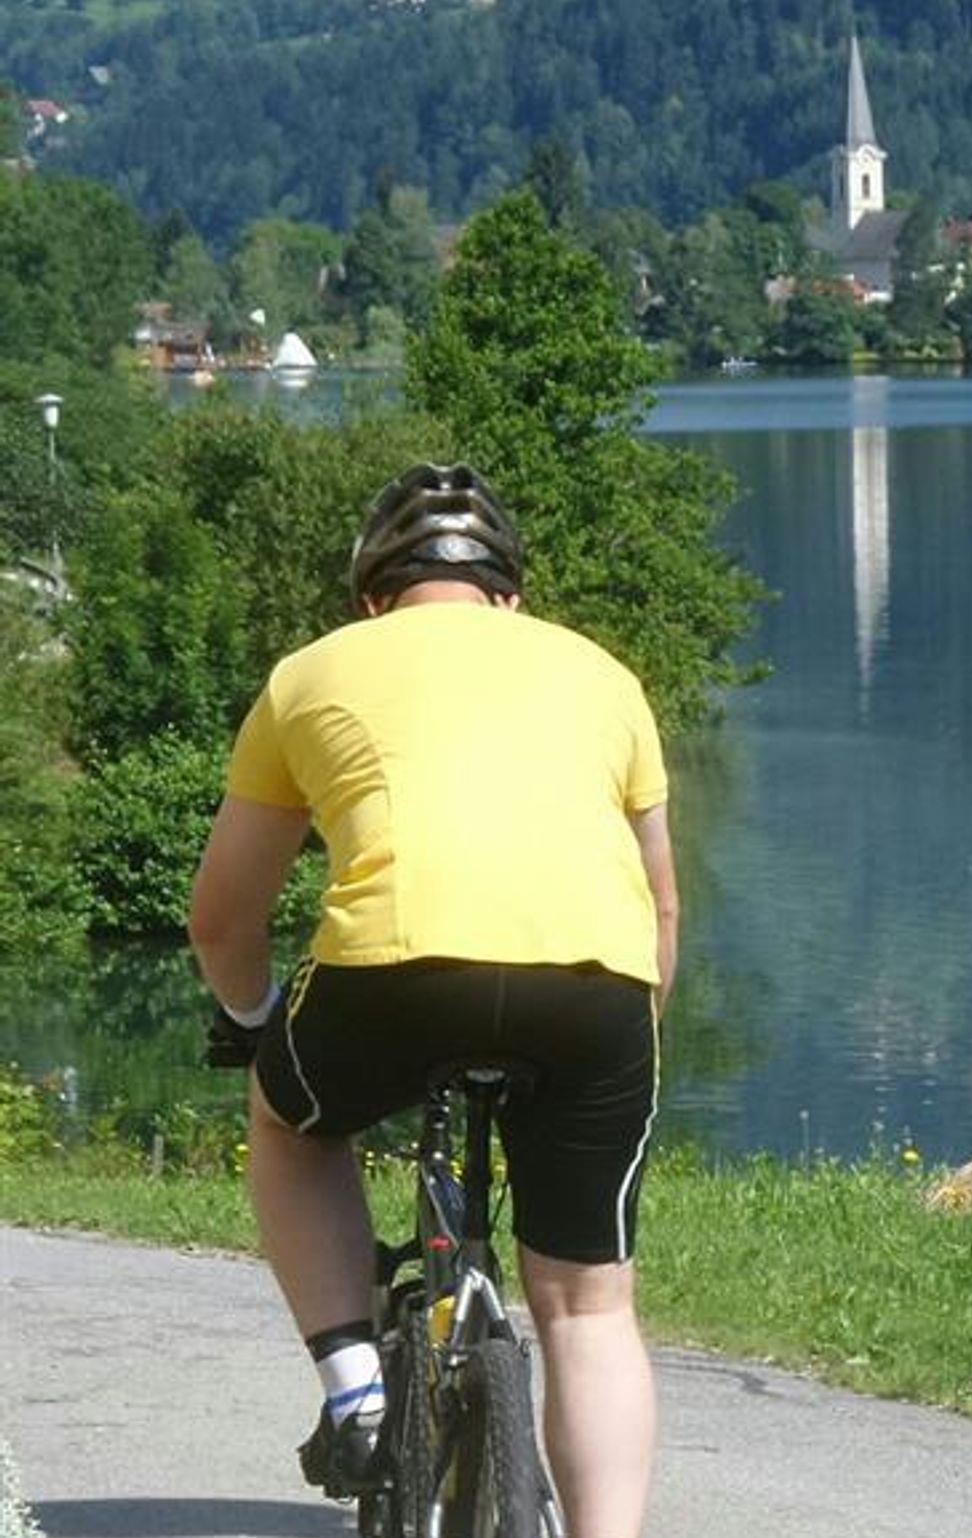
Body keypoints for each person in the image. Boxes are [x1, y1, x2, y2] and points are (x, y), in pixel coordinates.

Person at [186, 463, 678, 1538]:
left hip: (392, 973)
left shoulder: (311, 672)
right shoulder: (604, 675)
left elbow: (223, 917)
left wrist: (254, 1021)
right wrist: (624, 1046)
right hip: (597, 984)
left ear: (375, 597)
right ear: (510, 596)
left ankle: (354, 1385)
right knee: (590, 1308)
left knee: (289, 1121)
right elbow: (661, 904)